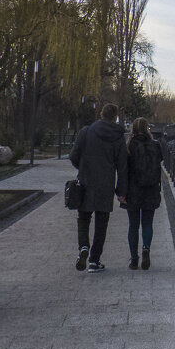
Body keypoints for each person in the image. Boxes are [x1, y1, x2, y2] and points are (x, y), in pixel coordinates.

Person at [69, 103, 128, 273]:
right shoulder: (118, 136)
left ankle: (83, 247)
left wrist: (83, 168)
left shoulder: (86, 132)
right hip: (105, 185)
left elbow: (73, 155)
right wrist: (121, 192)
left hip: (86, 182)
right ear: (115, 116)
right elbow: (122, 166)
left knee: (83, 218)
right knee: (102, 224)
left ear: (101, 113)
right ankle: (94, 260)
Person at [122, 117, 163, 270]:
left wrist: (121, 191)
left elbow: (124, 170)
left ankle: (134, 258)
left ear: (133, 129)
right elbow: (160, 163)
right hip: (151, 189)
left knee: (133, 225)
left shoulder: (129, 146)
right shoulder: (155, 145)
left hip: (133, 190)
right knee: (147, 223)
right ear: (147, 129)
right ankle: (146, 249)